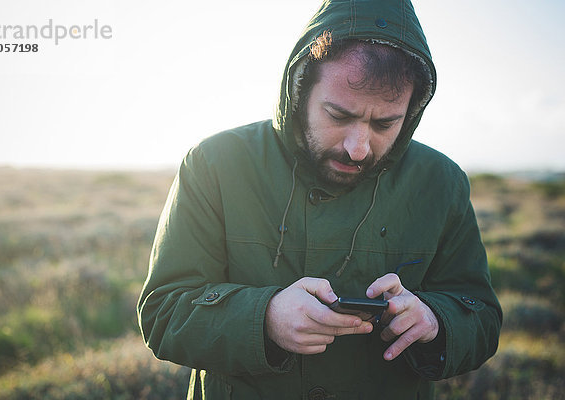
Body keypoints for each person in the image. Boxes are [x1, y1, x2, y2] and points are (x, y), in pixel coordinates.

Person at [137, 0, 502, 398]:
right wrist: (264, 318)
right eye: (338, 115)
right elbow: (164, 311)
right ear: (300, 88)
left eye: (385, 123)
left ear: (412, 110)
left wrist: (436, 322)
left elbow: (482, 317)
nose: (358, 148)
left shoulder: (442, 181)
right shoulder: (214, 163)